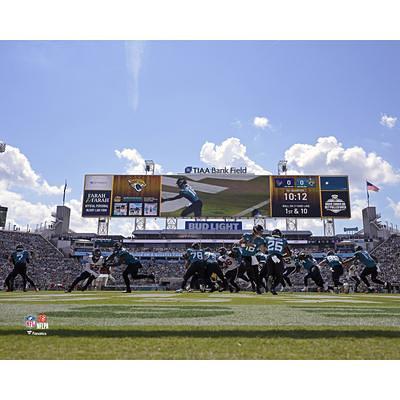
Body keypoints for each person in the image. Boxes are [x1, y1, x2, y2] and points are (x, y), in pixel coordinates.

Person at [262, 229, 291, 295]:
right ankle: (273, 287)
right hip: (278, 257)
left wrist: (267, 252)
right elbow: (288, 253)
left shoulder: (267, 238)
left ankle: (270, 276)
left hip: (269, 257)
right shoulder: (283, 240)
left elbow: (263, 247)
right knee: (279, 276)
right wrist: (283, 256)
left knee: (270, 273)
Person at [239, 225, 266, 294]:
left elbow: (263, 250)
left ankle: (258, 288)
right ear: (255, 231)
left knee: (256, 273)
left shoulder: (261, 240)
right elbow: (240, 244)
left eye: (261, 232)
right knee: (249, 271)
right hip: (245, 256)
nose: (261, 233)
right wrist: (246, 245)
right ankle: (255, 285)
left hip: (253, 257)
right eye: (260, 231)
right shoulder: (247, 235)